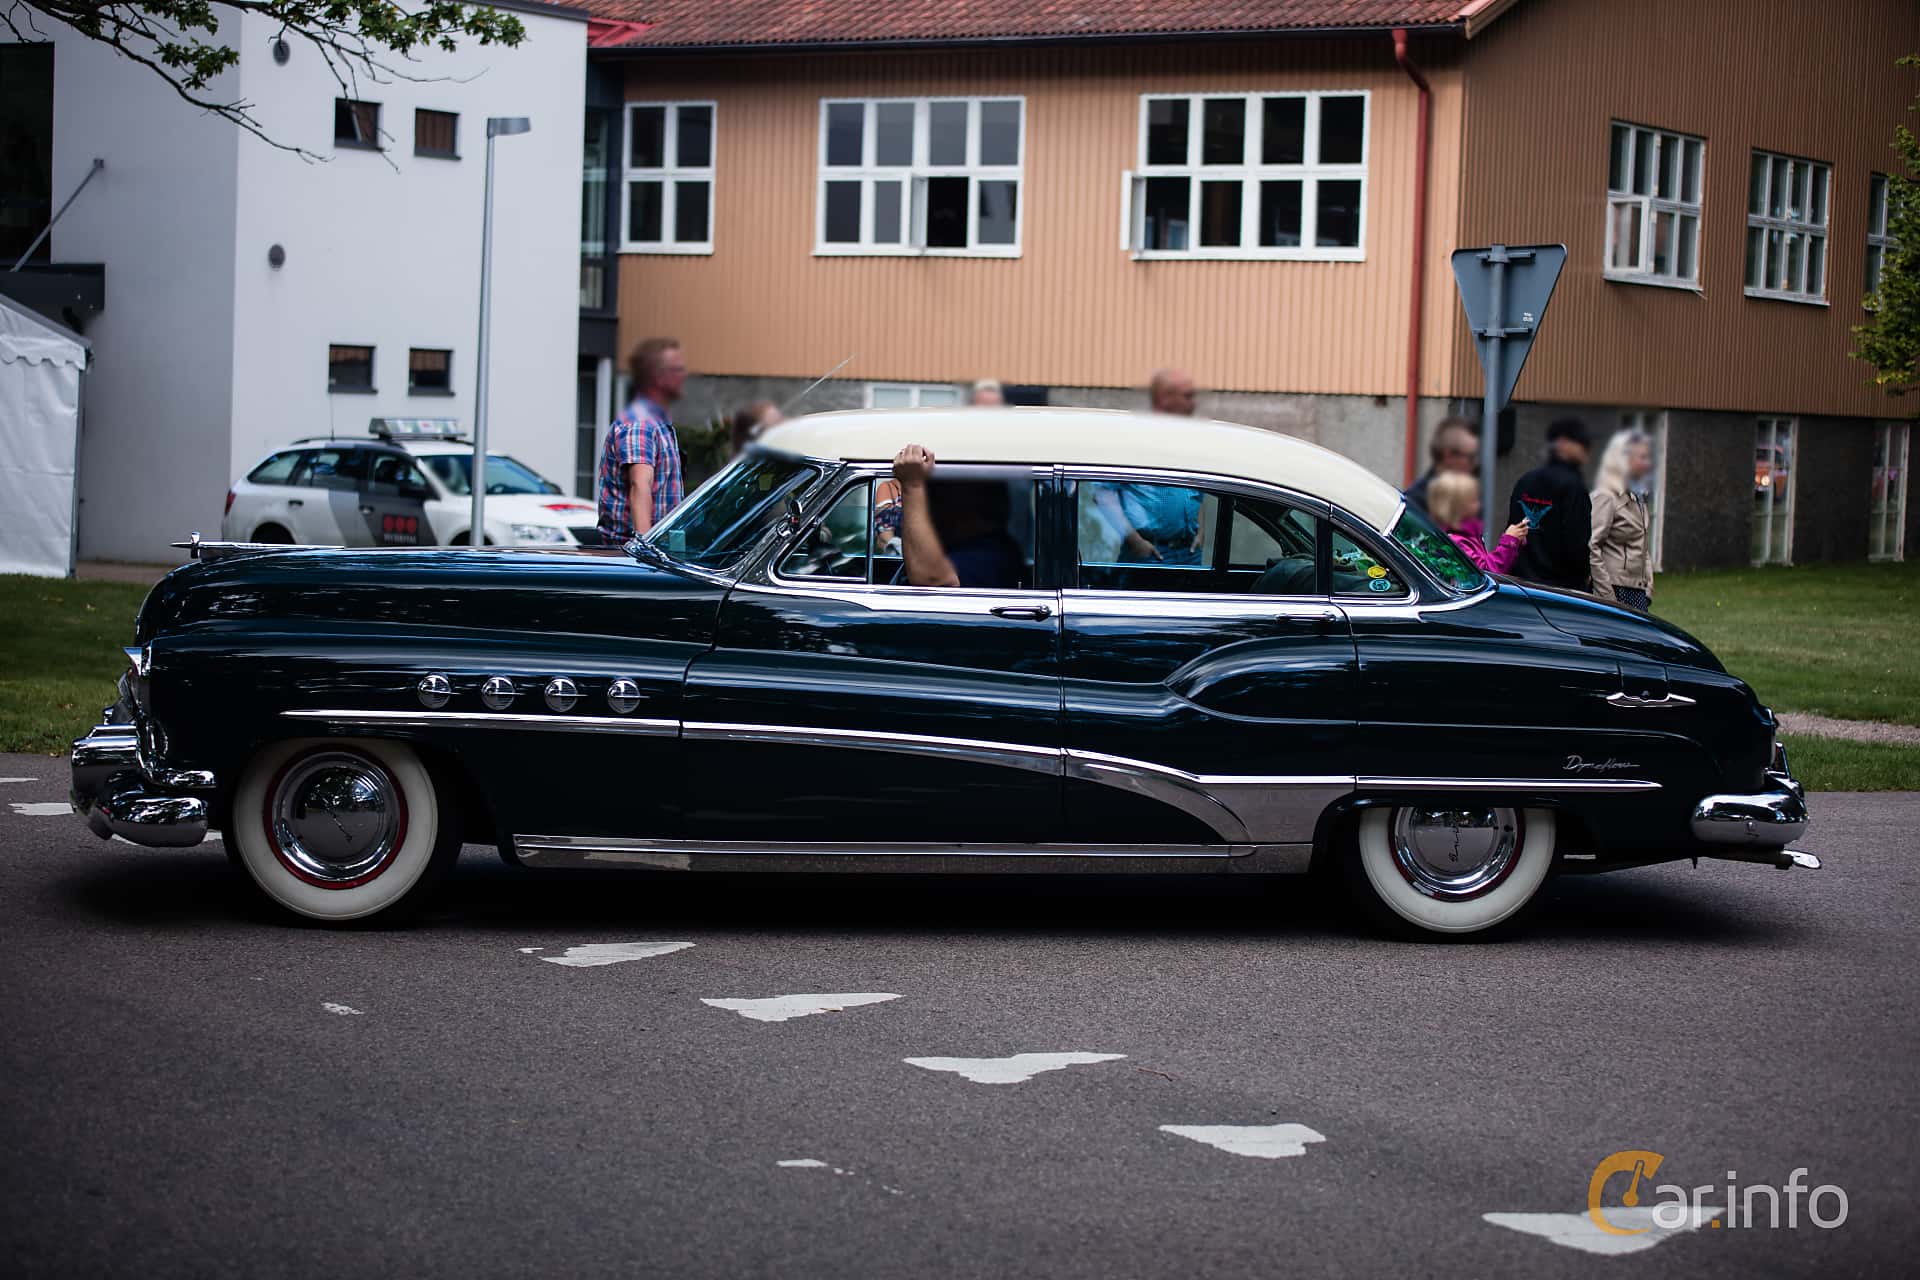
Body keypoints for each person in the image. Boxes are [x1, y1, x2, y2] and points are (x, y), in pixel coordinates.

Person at [891, 443, 1023, 588]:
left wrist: (913, 486)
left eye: (941, 496)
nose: (933, 504)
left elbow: (935, 582)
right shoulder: (968, 546)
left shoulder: (986, 554)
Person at [597, 337, 687, 544]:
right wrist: (644, 552)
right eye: (677, 370)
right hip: (634, 555)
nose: (684, 376)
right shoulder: (640, 423)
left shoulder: (658, 422)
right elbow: (639, 485)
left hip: (657, 550)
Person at [1506, 417, 1593, 590]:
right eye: (1582, 443)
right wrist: (1583, 579)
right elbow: (1576, 543)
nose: (1587, 449)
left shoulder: (1526, 480)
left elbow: (1512, 532)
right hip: (1561, 590)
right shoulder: (1573, 486)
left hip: (1522, 585)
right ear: (1562, 443)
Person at [1589, 427, 1656, 611]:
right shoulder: (1606, 495)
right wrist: (1606, 595)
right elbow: (1592, 546)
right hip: (1614, 590)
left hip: (1637, 591)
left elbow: (1643, 545)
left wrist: (1648, 586)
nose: (1647, 463)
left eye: (1648, 457)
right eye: (1641, 457)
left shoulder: (1638, 495)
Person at [1428, 471, 1529, 574]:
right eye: (1473, 500)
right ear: (1457, 506)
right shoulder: (1454, 541)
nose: (1479, 505)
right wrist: (1509, 541)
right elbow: (1487, 574)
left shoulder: (1466, 533)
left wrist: (1515, 542)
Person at [1404, 416, 1479, 517]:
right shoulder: (1415, 503)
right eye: (1470, 457)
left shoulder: (1469, 497)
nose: (1474, 464)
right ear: (1448, 456)